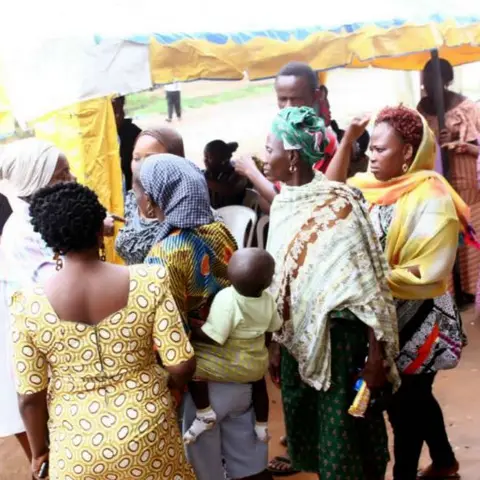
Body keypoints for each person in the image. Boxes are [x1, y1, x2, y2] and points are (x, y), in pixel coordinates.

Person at [11, 181, 197, 480]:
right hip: (148, 429)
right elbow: (181, 363)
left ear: (50, 240)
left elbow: (29, 395)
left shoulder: (27, 305)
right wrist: (172, 391)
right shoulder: (148, 281)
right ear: (102, 229)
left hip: (76, 447)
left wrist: (39, 453)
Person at [265, 106, 400, 480]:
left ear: (291, 156)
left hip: (343, 348)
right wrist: (278, 343)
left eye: (269, 148)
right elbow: (283, 284)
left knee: (347, 441)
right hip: (299, 346)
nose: (265, 157)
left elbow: (368, 291)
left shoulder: (340, 204)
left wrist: (376, 359)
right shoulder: (282, 205)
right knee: (316, 440)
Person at [348, 105, 471, 480]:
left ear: (407, 153)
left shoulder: (433, 198)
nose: (370, 155)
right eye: (369, 147)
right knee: (415, 399)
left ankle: (404, 474)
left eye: (381, 149)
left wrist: (362, 281)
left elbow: (429, 271)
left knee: (405, 407)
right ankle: (446, 462)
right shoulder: (367, 189)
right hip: (383, 319)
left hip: (422, 322)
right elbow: (330, 194)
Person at [135, 155, 272, 480]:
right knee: (249, 463)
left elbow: (172, 330)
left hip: (202, 384)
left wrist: (171, 388)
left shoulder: (164, 254)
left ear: (154, 202)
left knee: (205, 468)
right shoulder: (220, 232)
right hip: (242, 371)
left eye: (141, 191)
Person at [0, 138, 75, 472]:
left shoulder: (44, 219)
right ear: (35, 181)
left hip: (48, 334)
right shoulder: (22, 231)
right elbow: (58, 289)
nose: (72, 179)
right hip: (34, 340)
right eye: (61, 175)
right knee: (44, 442)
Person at [184, 248, 281, 445]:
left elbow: (215, 337)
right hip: (254, 365)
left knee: (192, 368)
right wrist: (262, 350)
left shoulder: (226, 298)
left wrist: (191, 329)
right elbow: (272, 328)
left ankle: (204, 413)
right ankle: (262, 425)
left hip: (229, 367)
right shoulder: (268, 299)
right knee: (259, 383)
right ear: (268, 281)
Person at [234, 62, 355, 216]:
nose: (288, 107)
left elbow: (295, 204)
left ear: (316, 96)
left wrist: (251, 172)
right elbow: (273, 199)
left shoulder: (319, 139)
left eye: (296, 99)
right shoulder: (282, 131)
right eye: (282, 99)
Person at [418, 58, 480, 302]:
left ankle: (471, 289)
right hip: (438, 183)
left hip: (465, 181)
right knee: (445, 233)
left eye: (435, 80)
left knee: (470, 231)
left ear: (447, 80)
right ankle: (451, 291)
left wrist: (459, 141)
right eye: (426, 81)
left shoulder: (467, 108)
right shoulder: (421, 109)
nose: (429, 87)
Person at [115, 126, 185, 264]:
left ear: (175, 160)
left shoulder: (190, 210)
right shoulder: (131, 199)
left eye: (150, 159)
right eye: (136, 158)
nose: (141, 166)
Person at [204, 139, 248, 208]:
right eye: (205, 156)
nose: (205, 160)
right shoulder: (210, 173)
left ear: (223, 160)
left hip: (236, 213)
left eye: (208, 157)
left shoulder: (238, 173)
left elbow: (228, 189)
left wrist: (204, 180)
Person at [112, 95, 142, 192]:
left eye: (120, 110)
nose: (118, 115)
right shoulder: (96, 138)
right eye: (113, 111)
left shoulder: (133, 133)